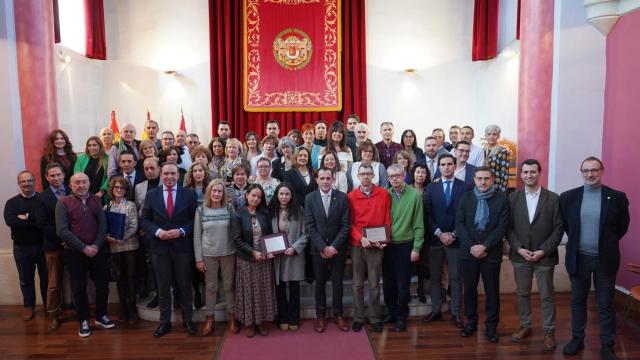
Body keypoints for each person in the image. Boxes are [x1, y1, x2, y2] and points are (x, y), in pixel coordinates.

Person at [559, 157, 630, 360]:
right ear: (581, 172)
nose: (590, 174)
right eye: (586, 170)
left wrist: (606, 243)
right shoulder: (568, 197)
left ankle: (607, 345)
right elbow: (567, 225)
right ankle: (577, 338)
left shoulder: (616, 197)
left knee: (605, 303)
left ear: (602, 171)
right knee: (577, 301)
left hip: (605, 260)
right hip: (579, 258)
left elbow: (622, 226)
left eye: (594, 170)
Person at [507, 159, 563, 351]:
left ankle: (549, 331)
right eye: (525, 172)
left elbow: (558, 228)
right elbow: (509, 228)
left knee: (547, 295)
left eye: (532, 172)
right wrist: (518, 248)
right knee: (522, 293)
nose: (529, 175)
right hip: (520, 255)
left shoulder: (554, 198)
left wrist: (543, 250)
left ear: (539, 174)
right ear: (521, 175)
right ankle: (526, 326)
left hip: (544, 256)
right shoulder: (512, 198)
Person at [140, 163, 198, 338]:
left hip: (182, 248)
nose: (169, 177)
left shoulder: (188, 194)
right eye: (166, 174)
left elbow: (194, 220)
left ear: (178, 175)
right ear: (160, 174)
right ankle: (164, 322)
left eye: (173, 173)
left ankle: (188, 320)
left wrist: (181, 231)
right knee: (163, 287)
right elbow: (145, 221)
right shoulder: (151, 195)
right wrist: (158, 232)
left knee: (184, 285)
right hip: (160, 248)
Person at [55, 173, 113, 338]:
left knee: (102, 285)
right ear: (71, 185)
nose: (81, 185)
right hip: (75, 252)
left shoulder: (96, 199)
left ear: (89, 183)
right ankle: (83, 320)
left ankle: (101, 315)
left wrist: (95, 245)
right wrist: (83, 248)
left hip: (97, 250)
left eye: (84, 182)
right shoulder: (63, 202)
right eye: (77, 182)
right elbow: (62, 230)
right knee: (79, 288)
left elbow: (103, 224)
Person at [455, 166, 509, 343]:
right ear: (474, 180)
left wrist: (484, 246)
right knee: (469, 290)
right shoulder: (466, 198)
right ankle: (471, 322)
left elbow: (502, 227)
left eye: (486, 178)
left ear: (492, 180)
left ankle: (491, 326)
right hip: (468, 253)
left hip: (491, 254)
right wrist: (473, 246)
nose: (483, 182)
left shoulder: (501, 200)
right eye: (479, 178)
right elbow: (460, 225)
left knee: (492, 291)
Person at [422, 154, 468, 329]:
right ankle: (436, 310)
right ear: (438, 167)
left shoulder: (464, 187)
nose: (446, 167)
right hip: (436, 239)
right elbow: (427, 214)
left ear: (455, 166)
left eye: (449, 164)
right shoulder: (431, 188)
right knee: (435, 277)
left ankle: (456, 313)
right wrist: (440, 233)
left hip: (456, 241)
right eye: (443, 164)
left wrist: (454, 234)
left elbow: (465, 215)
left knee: (456, 278)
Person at [304, 167, 350, 333]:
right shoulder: (310, 198)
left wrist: (333, 247)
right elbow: (309, 226)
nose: (325, 181)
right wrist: (323, 247)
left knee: (338, 283)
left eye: (328, 178)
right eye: (322, 178)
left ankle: (338, 314)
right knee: (320, 285)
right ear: (316, 180)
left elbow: (346, 226)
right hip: (318, 250)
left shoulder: (343, 198)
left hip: (337, 249)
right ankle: (321, 316)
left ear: (333, 180)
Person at [348, 163, 390, 333]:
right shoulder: (351, 196)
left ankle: (374, 317)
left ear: (374, 176)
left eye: (368, 174)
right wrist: (360, 238)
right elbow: (349, 223)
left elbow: (387, 218)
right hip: (358, 245)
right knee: (357, 284)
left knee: (374, 283)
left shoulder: (383, 194)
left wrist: (385, 239)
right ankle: (358, 316)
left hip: (377, 244)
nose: (365, 177)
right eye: (362, 174)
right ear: (357, 177)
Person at [194, 179, 239, 336]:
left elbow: (235, 231)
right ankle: (210, 318)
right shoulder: (201, 210)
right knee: (211, 287)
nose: (217, 194)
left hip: (229, 253)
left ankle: (232, 317)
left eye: (220, 191)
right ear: (209, 192)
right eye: (214, 191)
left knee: (229, 286)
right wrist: (199, 259)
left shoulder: (229, 208)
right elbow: (197, 237)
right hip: (209, 255)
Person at [231, 184, 277, 337]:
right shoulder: (238, 215)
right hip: (247, 259)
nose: (256, 199)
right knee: (249, 292)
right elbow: (236, 240)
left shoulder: (264, 213)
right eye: (253, 195)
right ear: (246, 195)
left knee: (263, 291)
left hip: (264, 259)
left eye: (259, 197)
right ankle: (249, 323)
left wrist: (270, 251)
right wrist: (253, 252)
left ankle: (261, 321)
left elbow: (269, 235)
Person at [383, 164, 424, 332]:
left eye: (397, 175)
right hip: (387, 246)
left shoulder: (414, 195)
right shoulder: (385, 195)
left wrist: (416, 247)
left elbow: (419, 224)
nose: (394, 179)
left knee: (402, 284)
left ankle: (401, 317)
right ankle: (392, 312)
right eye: (391, 176)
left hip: (405, 245)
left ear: (404, 175)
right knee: (388, 284)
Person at [4, 171, 47, 322]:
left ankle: (49, 305)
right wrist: (34, 219)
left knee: (46, 278)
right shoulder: (12, 202)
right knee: (25, 279)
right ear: (19, 184)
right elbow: (11, 221)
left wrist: (26, 216)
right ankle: (29, 306)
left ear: (35, 182)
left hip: (43, 246)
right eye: (23, 181)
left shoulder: (43, 199)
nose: (27, 184)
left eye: (29, 181)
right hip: (21, 248)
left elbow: (45, 222)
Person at [269, 183, 308, 331]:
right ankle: (282, 317)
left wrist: (295, 247)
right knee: (279, 289)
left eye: (287, 194)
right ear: (277, 195)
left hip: (294, 255)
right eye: (281, 194)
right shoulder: (271, 211)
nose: (284, 197)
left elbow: (306, 233)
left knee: (294, 288)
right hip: (278, 256)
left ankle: (294, 318)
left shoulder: (299, 211)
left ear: (291, 196)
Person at [35, 163, 68, 331]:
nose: (56, 178)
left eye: (58, 174)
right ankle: (53, 314)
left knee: (79, 279)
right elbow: (42, 224)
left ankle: (83, 310)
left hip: (74, 246)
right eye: (52, 176)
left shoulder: (73, 190)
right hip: (53, 246)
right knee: (54, 283)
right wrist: (62, 239)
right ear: (47, 178)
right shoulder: (41, 197)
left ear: (63, 175)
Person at [104, 176, 140, 324]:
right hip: (114, 247)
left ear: (126, 190)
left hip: (129, 246)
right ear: (112, 190)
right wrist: (107, 237)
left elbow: (134, 226)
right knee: (120, 279)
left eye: (122, 188)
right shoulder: (106, 207)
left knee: (130, 278)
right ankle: (123, 309)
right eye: (116, 188)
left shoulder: (130, 205)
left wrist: (122, 238)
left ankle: (132, 310)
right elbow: (103, 227)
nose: (119, 190)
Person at [408, 162, 430, 303]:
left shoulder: (430, 189)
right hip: (410, 231)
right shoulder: (407, 189)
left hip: (427, 230)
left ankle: (421, 290)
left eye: (423, 172)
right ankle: (408, 291)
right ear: (413, 174)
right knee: (409, 263)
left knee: (423, 263)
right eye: (417, 172)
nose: (420, 175)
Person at [483, 125, 510, 193]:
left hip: (496, 187)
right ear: (485, 136)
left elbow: (505, 173)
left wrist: (502, 192)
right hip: (482, 186)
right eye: (489, 134)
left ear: (498, 136)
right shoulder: (481, 151)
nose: (491, 137)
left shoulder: (503, 151)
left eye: (494, 134)